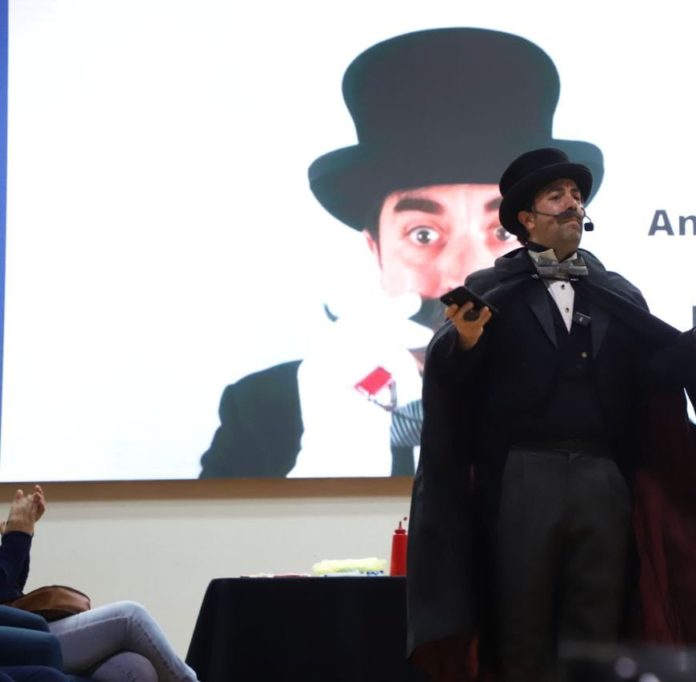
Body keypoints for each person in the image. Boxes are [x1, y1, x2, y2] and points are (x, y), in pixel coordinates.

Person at [406, 148, 696, 682]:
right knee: (521, 626)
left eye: (576, 195)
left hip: (602, 479)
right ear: (526, 219)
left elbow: (650, 382)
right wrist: (467, 341)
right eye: (556, 196)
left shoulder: (614, 291)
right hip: (522, 478)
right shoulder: (487, 293)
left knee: (597, 632)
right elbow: (453, 387)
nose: (573, 204)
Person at [198, 27, 602, 479]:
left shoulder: (608, 390)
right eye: (423, 234)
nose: (464, 273)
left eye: (503, 232)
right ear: (376, 249)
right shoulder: (264, 410)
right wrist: (337, 447)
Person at [0, 486, 197, 682]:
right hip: (21, 637)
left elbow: (10, 593)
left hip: (21, 629)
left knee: (135, 668)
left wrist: (21, 533)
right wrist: (17, 536)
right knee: (130, 617)